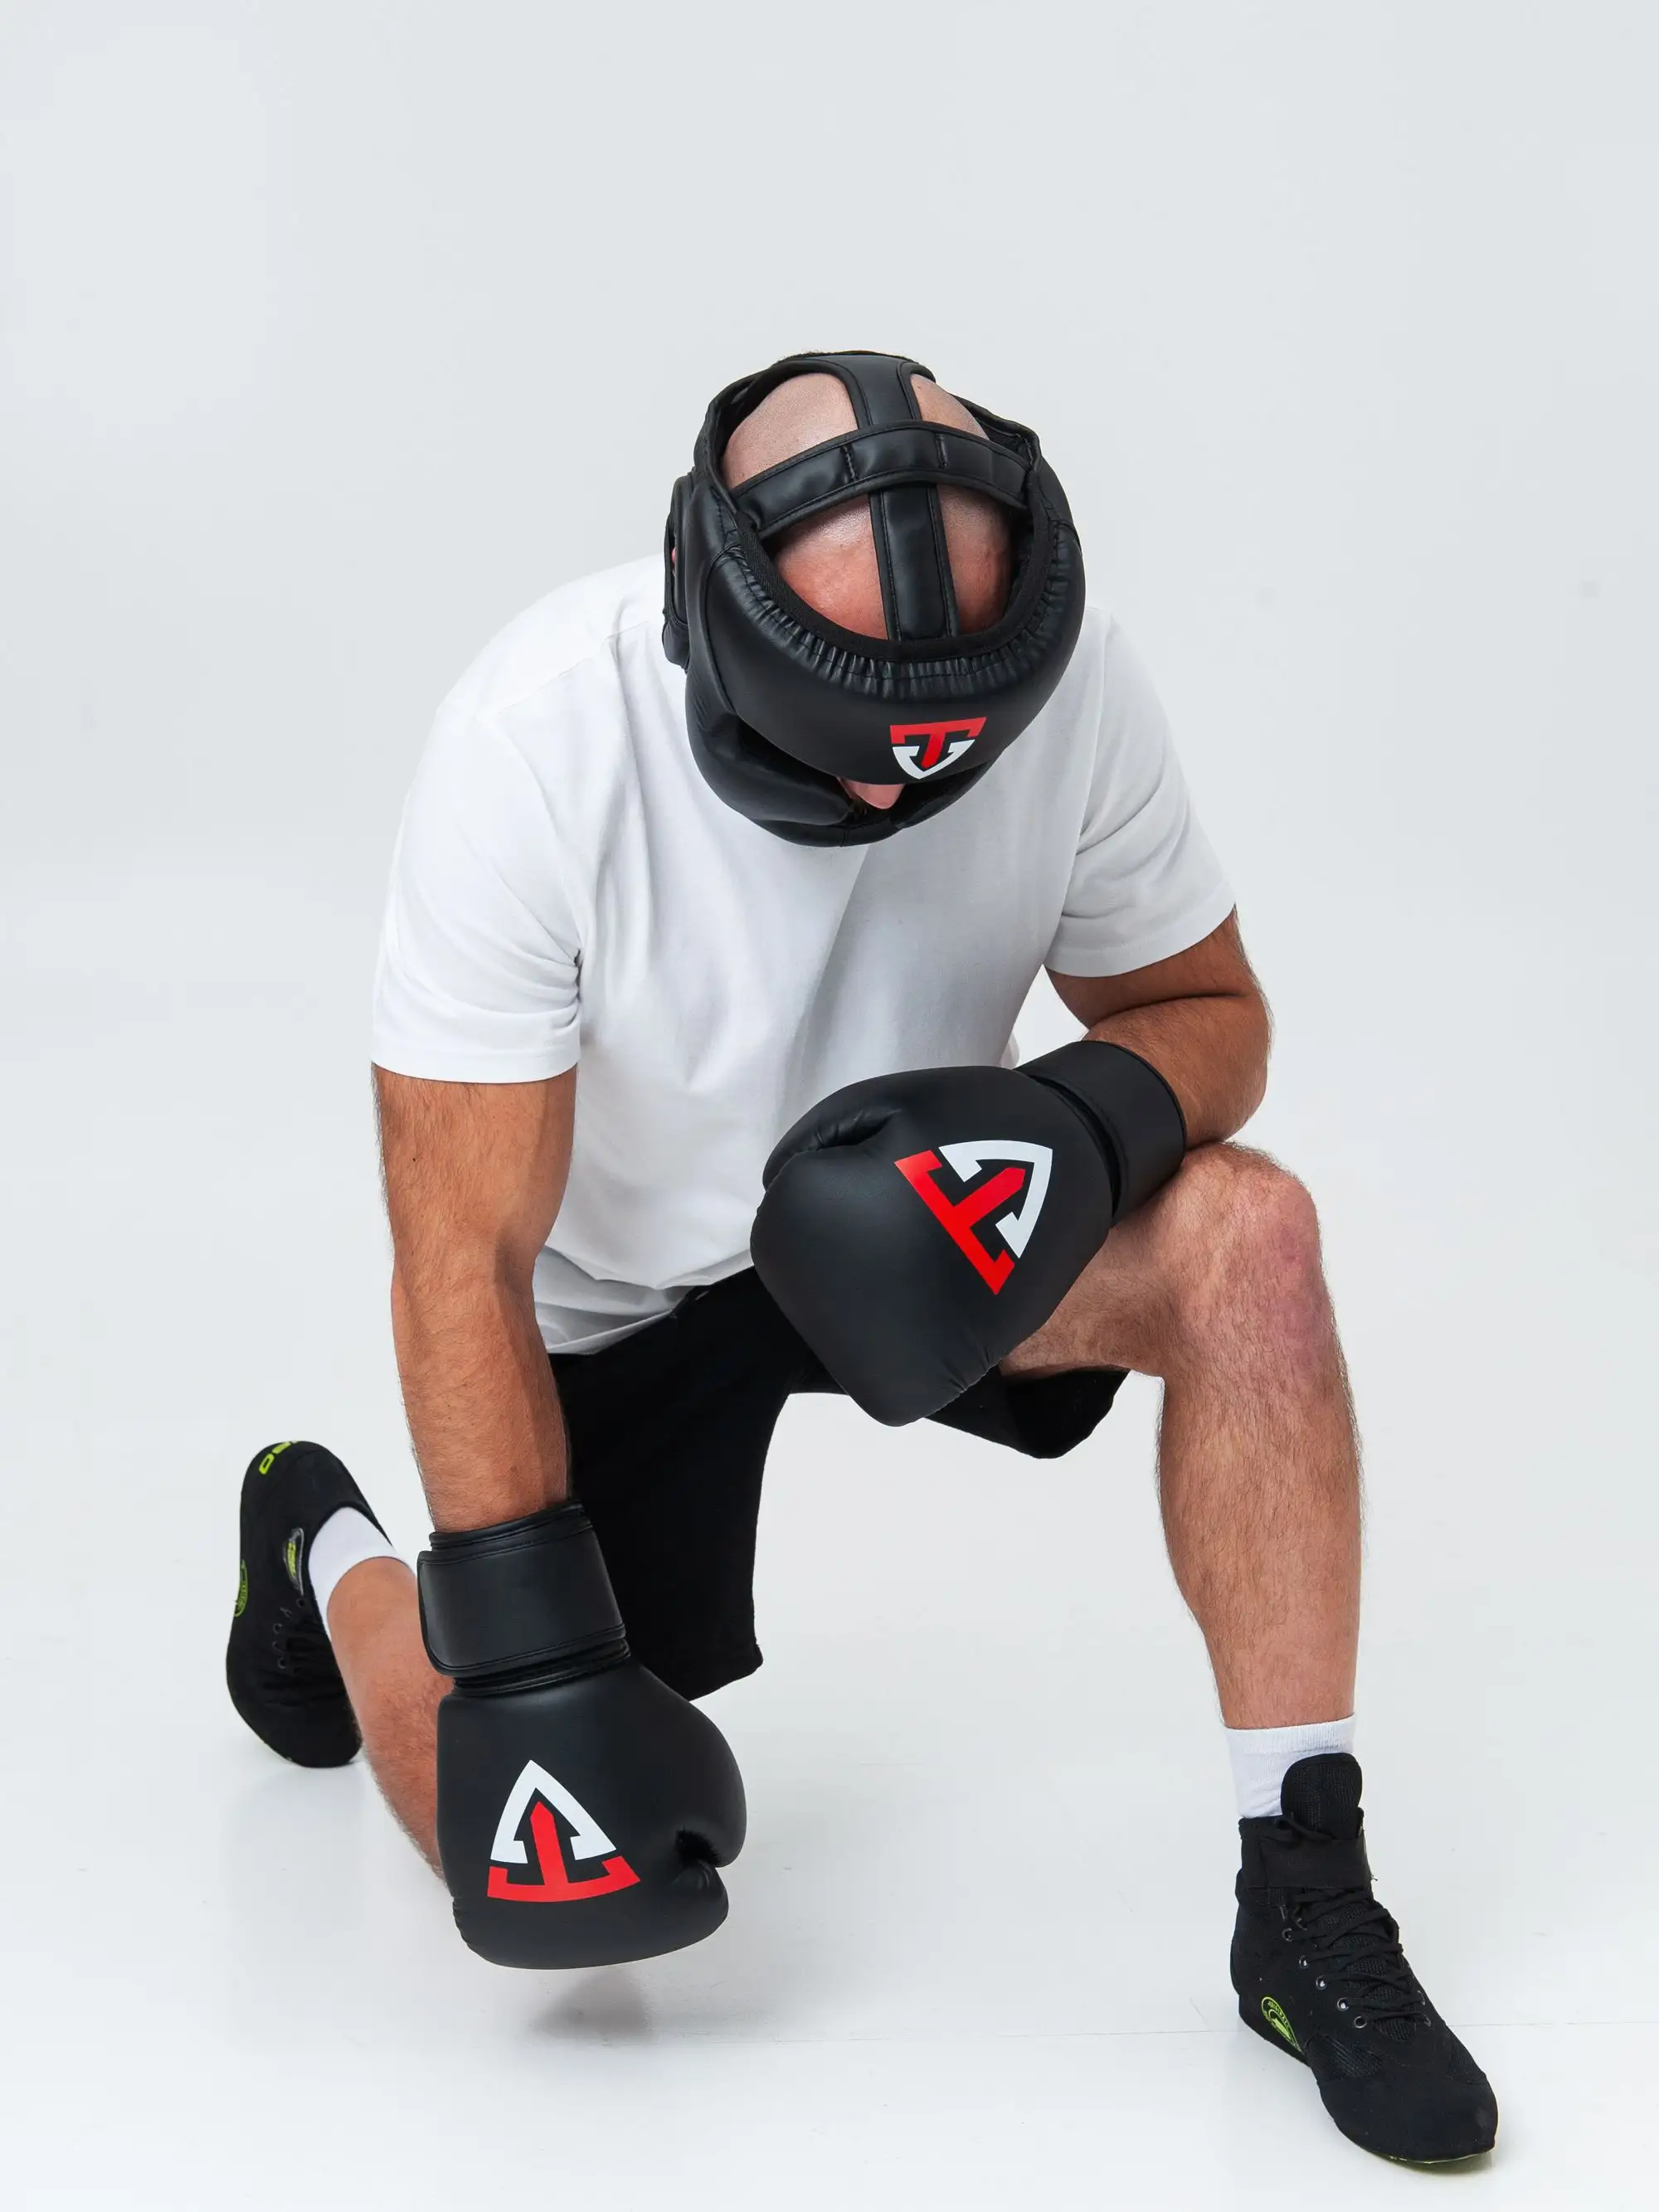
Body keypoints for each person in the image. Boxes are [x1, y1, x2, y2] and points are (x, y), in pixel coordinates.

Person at [227, 351, 1496, 2162]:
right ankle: (327, 1546)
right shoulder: (535, 742)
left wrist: (1073, 1129)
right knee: (526, 1863)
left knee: (1250, 1233)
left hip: (927, 1224)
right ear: (720, 619)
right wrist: (530, 1663)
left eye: (950, 743)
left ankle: (1307, 1898)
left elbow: (1211, 1015)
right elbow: (460, 1257)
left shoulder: (1078, 686)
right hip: (618, 1294)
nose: (908, 797)